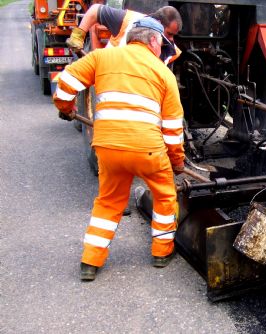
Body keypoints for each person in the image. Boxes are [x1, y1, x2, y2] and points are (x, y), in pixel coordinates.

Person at [54, 17, 185, 281]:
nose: (161, 49)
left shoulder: (102, 57)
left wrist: (66, 109)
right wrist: (177, 162)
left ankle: (90, 261)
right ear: (153, 41)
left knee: (108, 202)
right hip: (147, 150)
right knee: (164, 196)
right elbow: (172, 129)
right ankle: (161, 253)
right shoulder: (164, 74)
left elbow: (66, 84)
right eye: (161, 43)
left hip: (108, 147)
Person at [66, 3, 182, 65]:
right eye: (169, 33)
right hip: (109, 81)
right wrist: (78, 35)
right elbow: (95, 10)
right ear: (158, 23)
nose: (171, 39)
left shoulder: (171, 51)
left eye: (173, 35)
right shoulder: (126, 20)